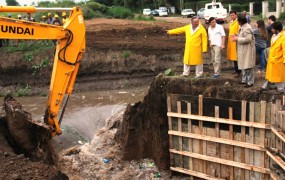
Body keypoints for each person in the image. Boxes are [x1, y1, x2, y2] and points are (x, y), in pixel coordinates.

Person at [231, 15, 256, 88]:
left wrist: (237, 39)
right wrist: (237, 35)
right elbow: (243, 36)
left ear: (240, 21)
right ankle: (244, 80)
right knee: (244, 65)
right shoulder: (243, 27)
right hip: (243, 50)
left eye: (238, 21)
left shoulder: (247, 28)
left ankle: (250, 82)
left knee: (248, 66)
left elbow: (248, 39)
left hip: (247, 50)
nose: (237, 22)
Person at [262, 22, 285, 93]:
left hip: (279, 60)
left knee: (280, 77)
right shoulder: (274, 36)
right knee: (269, 75)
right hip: (272, 59)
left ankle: (281, 90)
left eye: (273, 29)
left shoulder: (283, 37)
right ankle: (265, 86)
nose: (271, 30)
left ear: (277, 29)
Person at [227, 10, 241, 78]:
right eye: (231, 15)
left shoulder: (238, 22)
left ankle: (238, 72)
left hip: (236, 41)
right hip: (231, 42)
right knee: (233, 57)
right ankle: (236, 70)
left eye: (233, 15)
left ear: (236, 15)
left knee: (236, 57)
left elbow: (239, 31)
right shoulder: (231, 22)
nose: (232, 16)